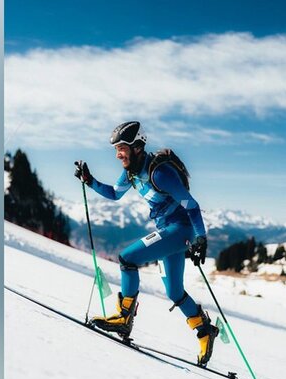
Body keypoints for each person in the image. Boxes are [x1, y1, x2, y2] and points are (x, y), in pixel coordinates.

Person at [74, 121, 219, 365]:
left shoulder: (159, 173)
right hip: (168, 231)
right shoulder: (131, 172)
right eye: (116, 149)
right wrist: (89, 180)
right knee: (174, 291)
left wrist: (201, 237)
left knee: (127, 258)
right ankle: (205, 331)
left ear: (137, 147)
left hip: (180, 230)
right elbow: (115, 193)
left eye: (122, 148)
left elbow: (191, 205)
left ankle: (124, 317)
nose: (118, 154)